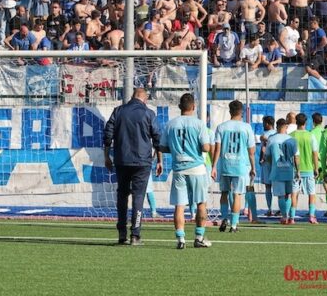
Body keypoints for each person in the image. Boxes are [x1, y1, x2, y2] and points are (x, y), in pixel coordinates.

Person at [103, 88, 163, 246]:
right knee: (138, 197)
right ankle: (135, 235)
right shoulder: (149, 114)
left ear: (132, 97)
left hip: (122, 160)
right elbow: (157, 138)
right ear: (144, 99)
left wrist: (106, 156)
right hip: (142, 162)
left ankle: (121, 233)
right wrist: (160, 160)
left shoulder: (118, 111)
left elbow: (108, 134)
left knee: (122, 196)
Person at [158, 93, 212, 249]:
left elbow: (161, 147)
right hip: (197, 168)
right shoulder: (199, 124)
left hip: (179, 169)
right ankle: (199, 237)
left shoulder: (170, 124)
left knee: (179, 206)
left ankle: (180, 240)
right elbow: (205, 147)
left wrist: (175, 151)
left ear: (180, 107)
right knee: (201, 203)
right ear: (193, 107)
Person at [211, 100, 256, 233]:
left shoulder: (221, 127)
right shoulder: (246, 127)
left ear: (230, 111)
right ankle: (234, 225)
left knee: (224, 193)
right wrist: (253, 167)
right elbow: (251, 151)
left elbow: (217, 149)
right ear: (241, 112)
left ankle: (224, 218)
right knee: (237, 195)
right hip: (240, 167)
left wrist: (214, 166)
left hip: (225, 165)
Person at [265, 118, 300, 225]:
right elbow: (296, 157)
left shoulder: (272, 139)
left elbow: (267, 156)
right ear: (286, 127)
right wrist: (298, 170)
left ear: (277, 126)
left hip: (277, 170)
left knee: (281, 195)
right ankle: (289, 217)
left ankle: (284, 217)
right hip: (289, 170)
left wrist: (273, 165)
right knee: (288, 194)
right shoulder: (291, 139)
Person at [290, 113, 320, 224]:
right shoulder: (310, 135)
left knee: (294, 193)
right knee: (312, 193)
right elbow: (315, 154)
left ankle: (292, 217)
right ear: (306, 123)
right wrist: (316, 168)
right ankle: (312, 216)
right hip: (308, 169)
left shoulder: (291, 136)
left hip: (294, 170)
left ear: (296, 122)